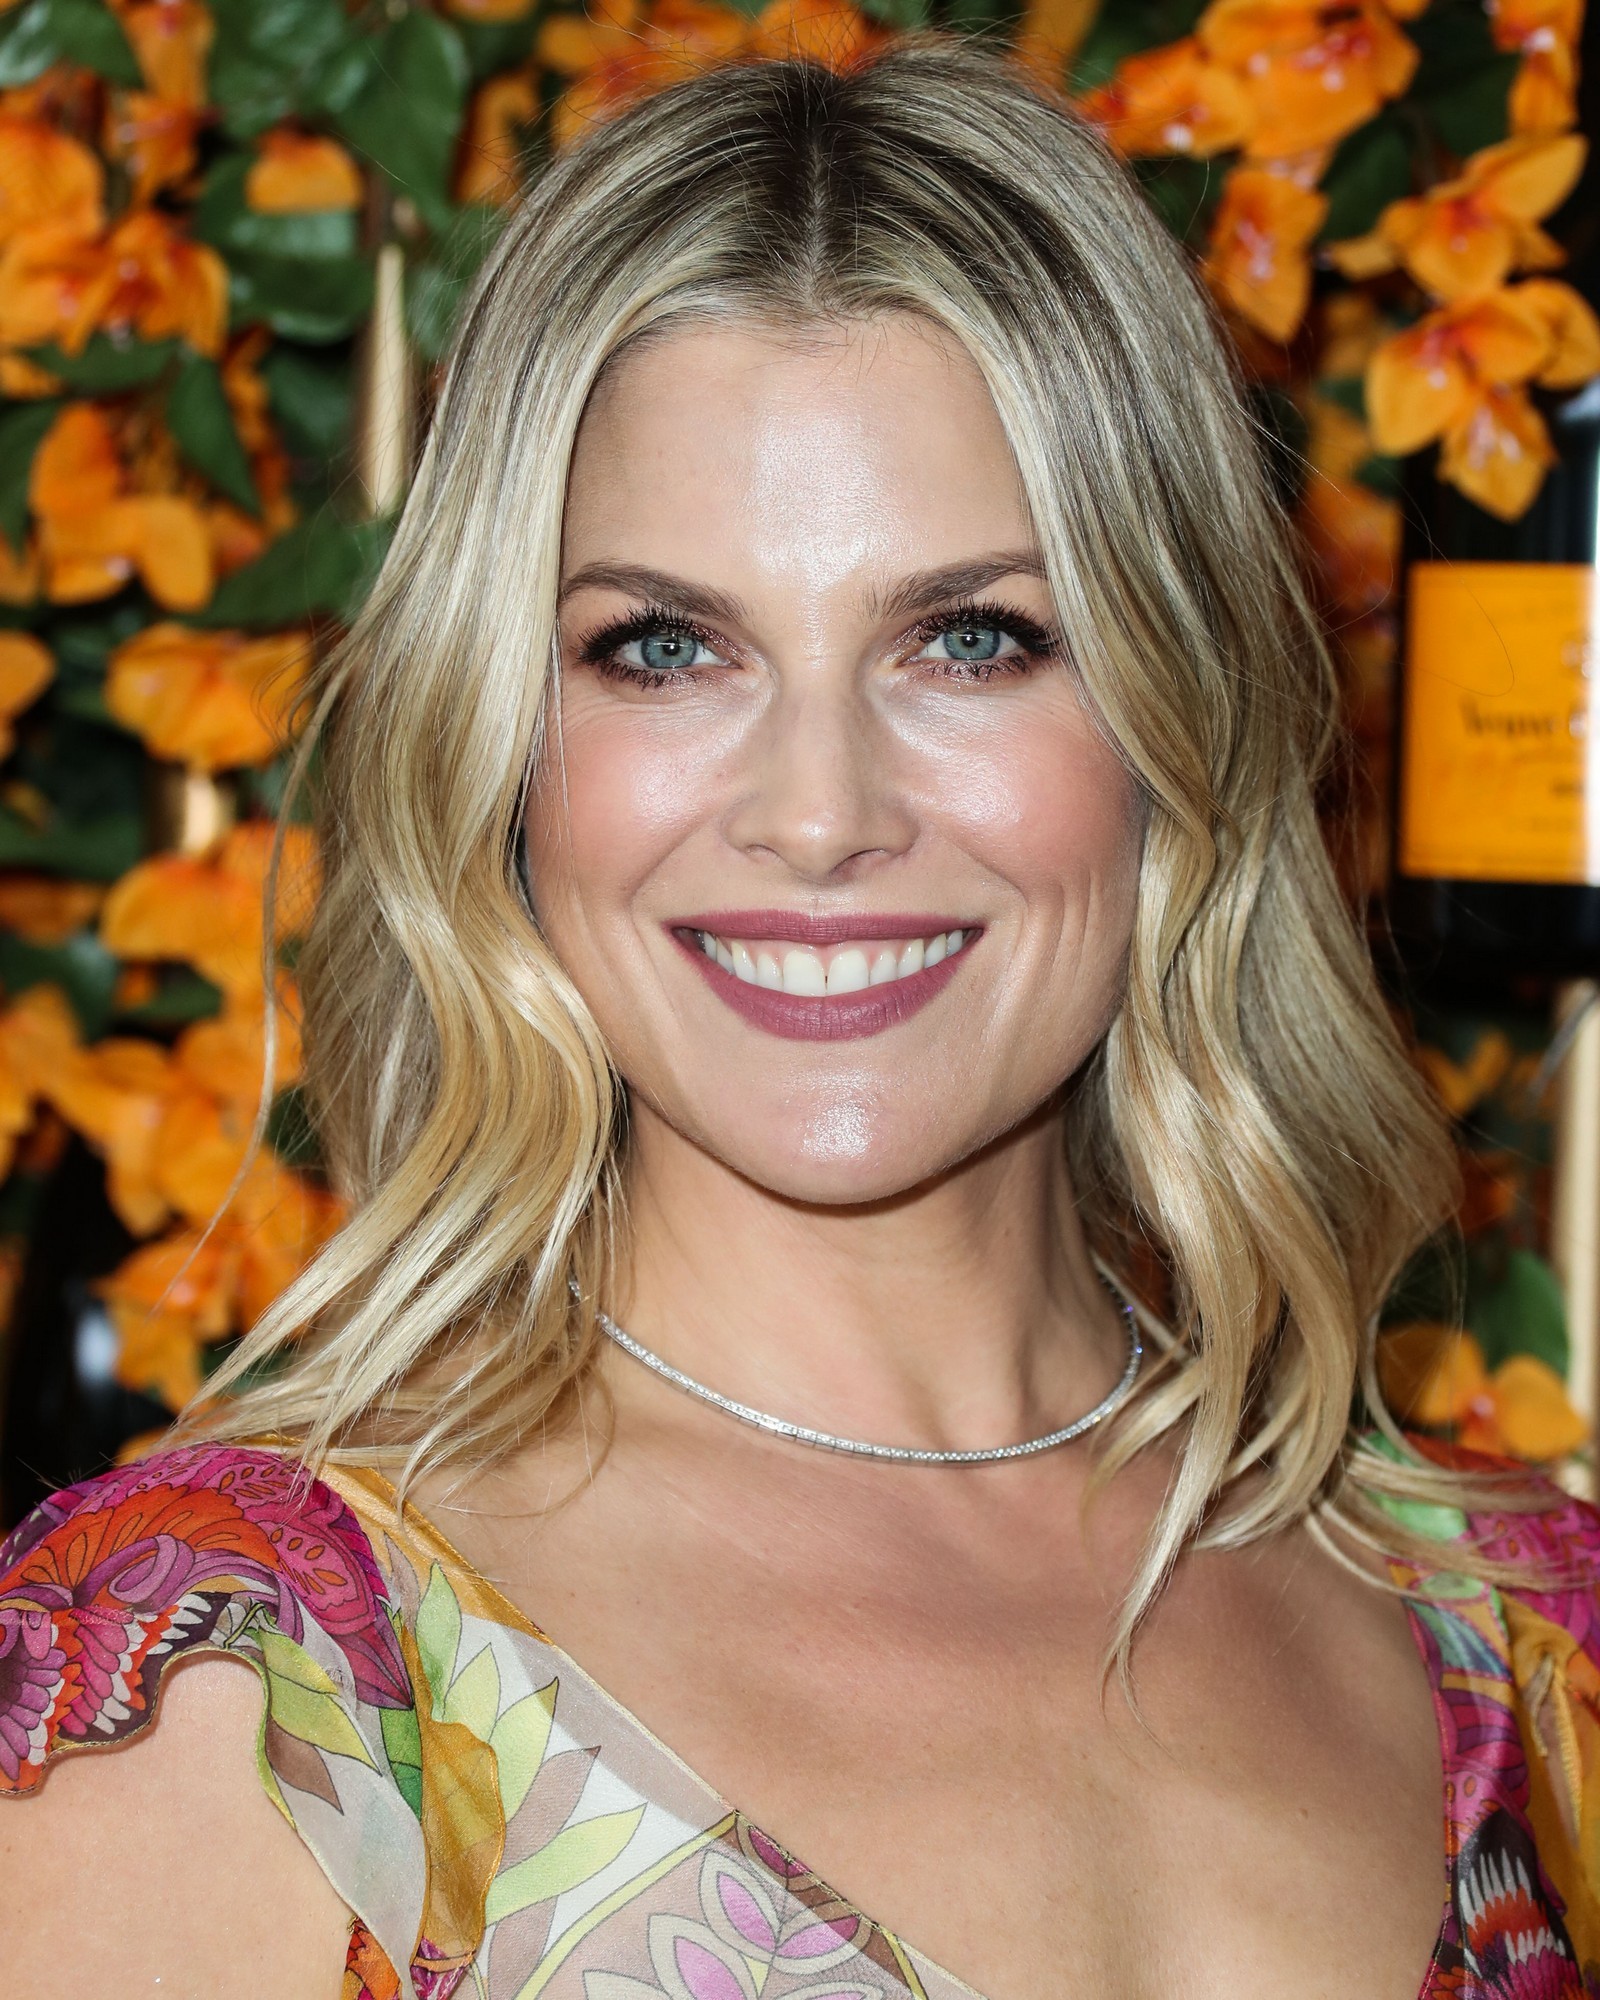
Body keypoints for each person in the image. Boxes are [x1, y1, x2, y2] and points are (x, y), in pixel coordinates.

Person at [3, 39, 1598, 2000]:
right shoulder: (235, 1704)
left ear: (1177, 715)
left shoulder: (1523, 1646)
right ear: (499, 740)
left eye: (974, 639)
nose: (820, 814)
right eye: (664, 648)